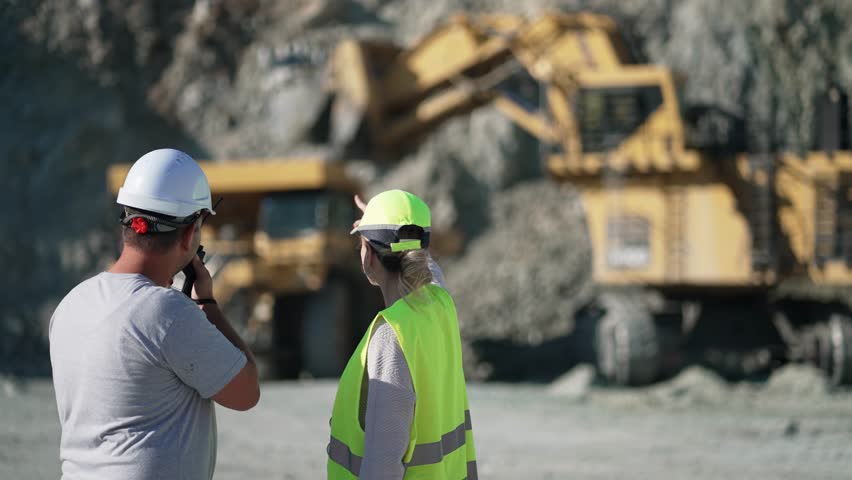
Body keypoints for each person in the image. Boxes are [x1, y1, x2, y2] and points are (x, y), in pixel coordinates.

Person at [49, 148, 260, 480]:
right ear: (191, 234)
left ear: (128, 223)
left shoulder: (71, 305)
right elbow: (247, 391)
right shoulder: (167, 313)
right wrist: (207, 303)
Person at [327, 190, 477, 480]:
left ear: (367, 255)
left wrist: (381, 221)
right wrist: (382, 218)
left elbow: (382, 467)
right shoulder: (440, 302)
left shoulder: (391, 336)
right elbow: (425, 264)